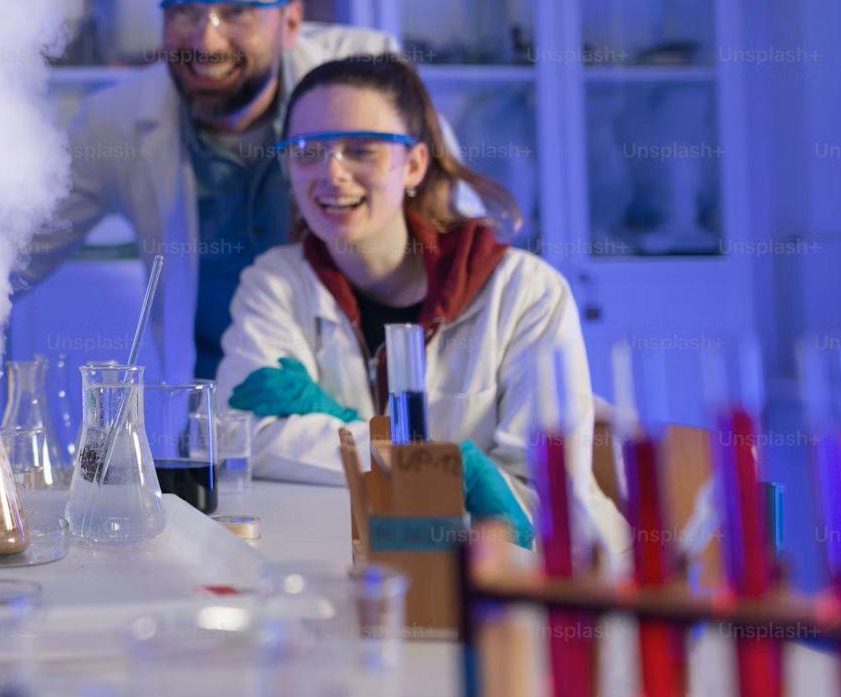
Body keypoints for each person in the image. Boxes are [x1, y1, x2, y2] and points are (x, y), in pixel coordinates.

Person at [216, 53, 627, 552]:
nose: (332, 173)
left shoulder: (525, 293)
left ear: (413, 164)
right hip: (363, 562)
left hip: (537, 580)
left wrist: (347, 436)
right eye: (307, 150)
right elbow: (247, 437)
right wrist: (440, 465)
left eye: (361, 149)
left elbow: (544, 496)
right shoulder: (275, 283)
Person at [20, 0, 405, 386]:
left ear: (290, 22)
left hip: (363, 399)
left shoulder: (366, 80)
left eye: (236, 9)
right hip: (212, 412)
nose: (206, 39)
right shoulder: (112, 122)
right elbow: (14, 260)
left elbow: (451, 228)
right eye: (185, 8)